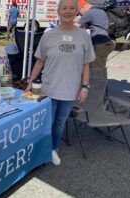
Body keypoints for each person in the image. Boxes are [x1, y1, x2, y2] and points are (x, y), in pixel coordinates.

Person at [25, 0, 95, 165]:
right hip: (48, 88)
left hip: (70, 90)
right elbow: (39, 62)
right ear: (58, 11)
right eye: (64, 8)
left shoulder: (84, 36)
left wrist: (85, 87)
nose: (68, 11)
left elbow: (86, 64)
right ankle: (42, 150)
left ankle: (53, 149)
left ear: (76, 12)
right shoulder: (48, 35)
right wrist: (29, 83)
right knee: (45, 122)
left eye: (72, 8)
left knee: (59, 124)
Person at [75, 0, 115, 70]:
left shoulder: (90, 13)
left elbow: (76, 26)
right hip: (106, 43)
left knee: (96, 68)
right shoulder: (98, 11)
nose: (80, 15)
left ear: (83, 7)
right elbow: (83, 28)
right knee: (94, 66)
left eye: (79, 13)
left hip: (100, 44)